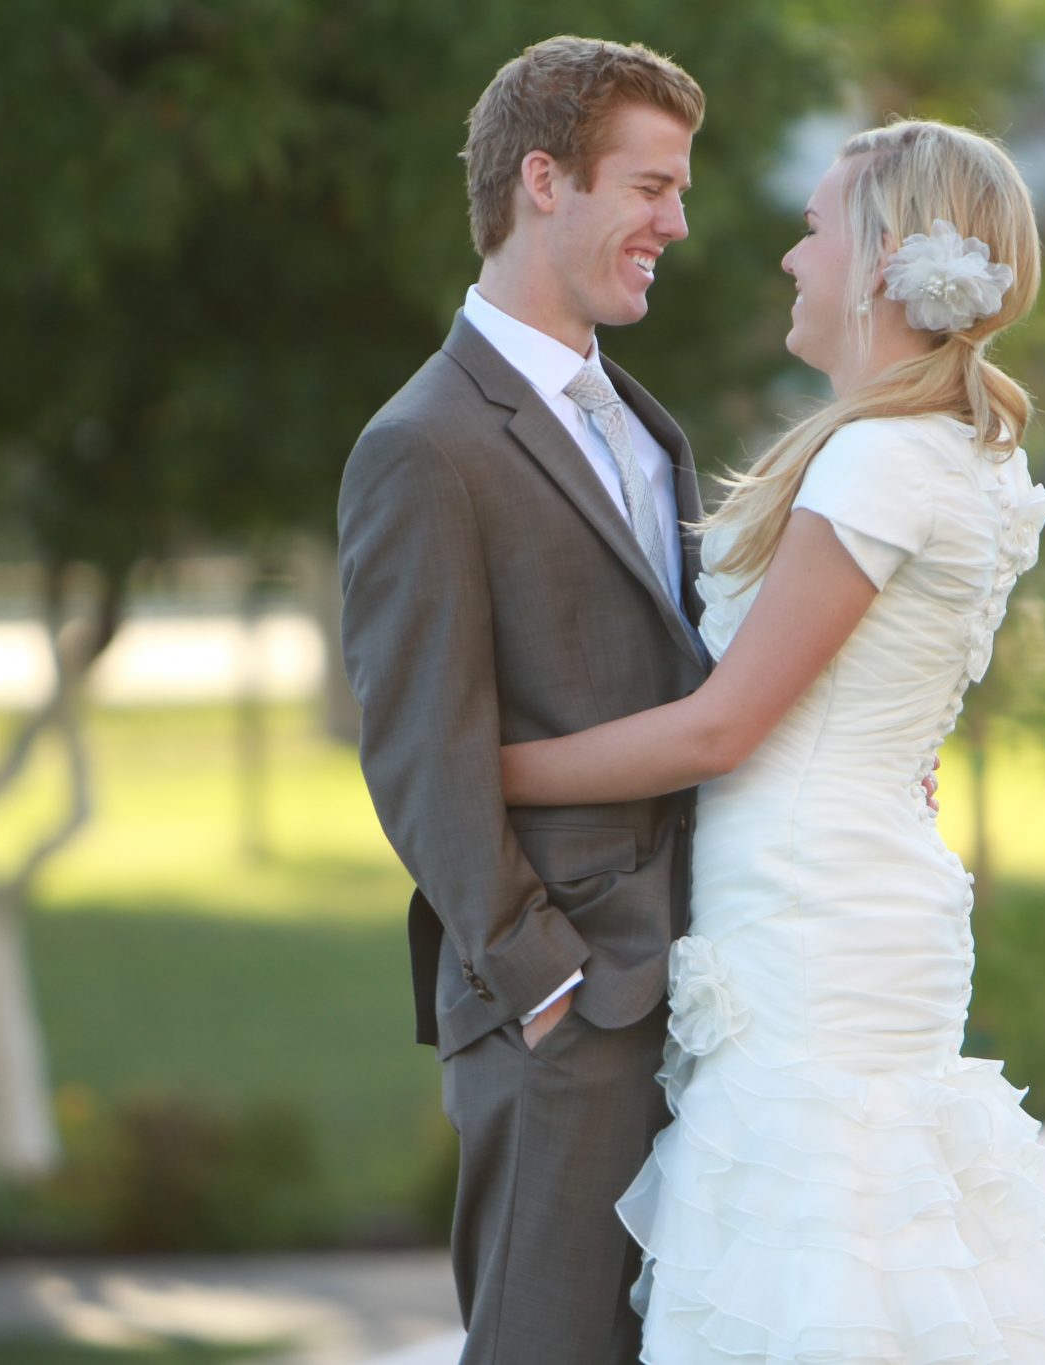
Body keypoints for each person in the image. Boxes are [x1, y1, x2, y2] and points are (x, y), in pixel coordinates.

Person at [497, 120, 1045, 1363]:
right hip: (857, 891)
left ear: (881, 253)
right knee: (866, 1275)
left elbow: (722, 724)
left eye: (809, 230)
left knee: (817, 1285)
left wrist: (482, 770)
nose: (790, 260)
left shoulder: (878, 459)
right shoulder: (955, 450)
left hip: (811, 925)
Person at [336, 36, 715, 1365]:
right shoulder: (423, 446)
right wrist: (545, 978)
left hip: (703, 983)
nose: (677, 221)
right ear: (544, 181)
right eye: (651, 186)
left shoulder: (646, 424)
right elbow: (418, 751)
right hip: (565, 1013)